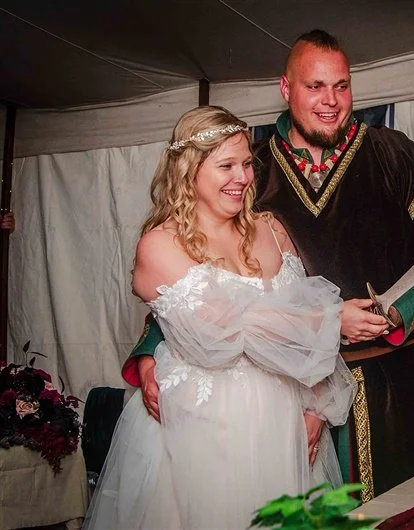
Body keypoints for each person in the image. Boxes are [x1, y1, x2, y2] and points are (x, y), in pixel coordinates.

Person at [124, 29, 414, 501]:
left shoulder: (393, 154)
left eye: (342, 86)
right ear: (286, 89)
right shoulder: (252, 168)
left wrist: (396, 314)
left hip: (404, 382)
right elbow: (196, 287)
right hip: (297, 390)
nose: (331, 101)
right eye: (315, 87)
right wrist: (150, 356)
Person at [85, 106, 356, 530]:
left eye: (247, 163)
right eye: (226, 165)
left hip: (287, 420)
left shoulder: (271, 229)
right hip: (204, 432)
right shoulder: (160, 246)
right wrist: (333, 319)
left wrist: (317, 410)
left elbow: (305, 334)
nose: (244, 177)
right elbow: (233, 330)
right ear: (189, 171)